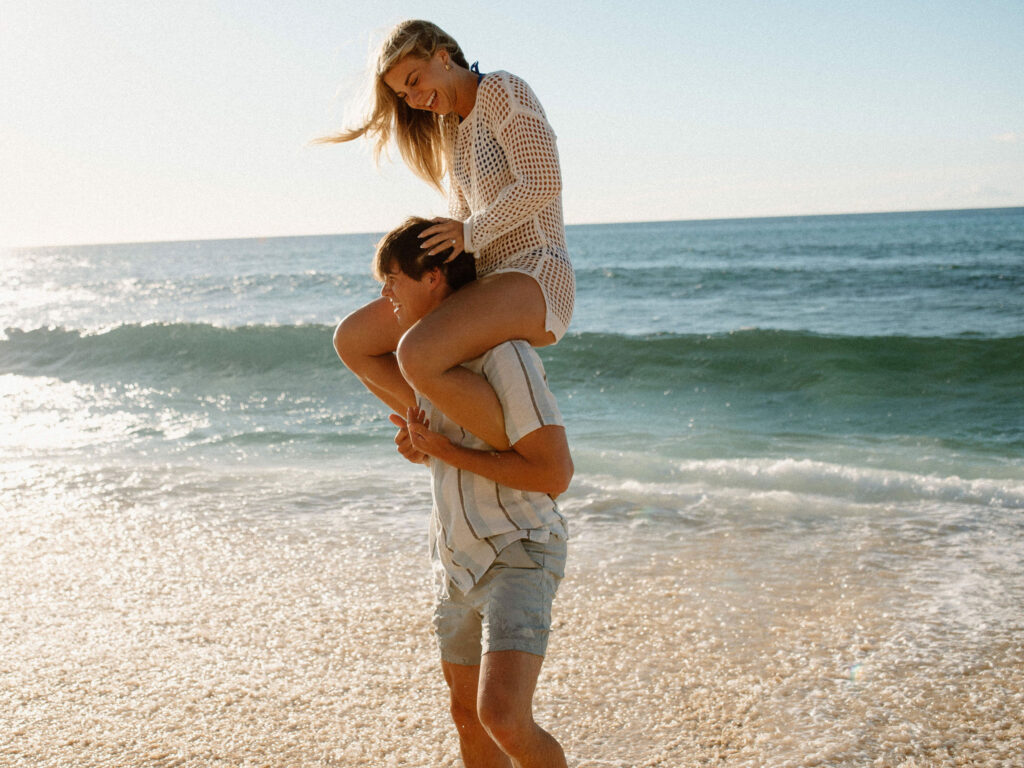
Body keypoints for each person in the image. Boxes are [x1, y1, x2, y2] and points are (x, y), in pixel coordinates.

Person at [369, 216, 573, 768]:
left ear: (433, 277)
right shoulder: (431, 365)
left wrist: (444, 449)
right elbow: (456, 452)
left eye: (392, 281)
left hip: (518, 550)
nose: (386, 296)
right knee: (466, 716)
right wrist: (422, 448)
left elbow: (553, 475)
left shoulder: (505, 354)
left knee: (503, 717)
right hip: (457, 560)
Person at [321, 19, 574, 452]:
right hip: (482, 280)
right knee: (353, 339)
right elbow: (462, 220)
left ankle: (519, 455)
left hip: (535, 276)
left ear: (442, 54)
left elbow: (543, 181)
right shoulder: (451, 127)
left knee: (416, 353)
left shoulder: (501, 90)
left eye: (414, 81)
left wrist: (471, 231)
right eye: (404, 94)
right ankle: (437, 427)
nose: (415, 99)